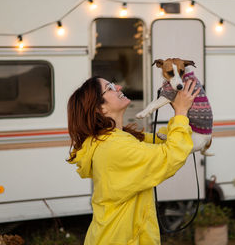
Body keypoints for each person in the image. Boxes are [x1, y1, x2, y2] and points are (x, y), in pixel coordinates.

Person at [67, 76, 200, 245]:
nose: (119, 87)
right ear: (100, 109)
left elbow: (162, 140)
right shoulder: (114, 146)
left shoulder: (118, 138)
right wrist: (181, 112)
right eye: (110, 88)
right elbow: (169, 156)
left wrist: (181, 112)